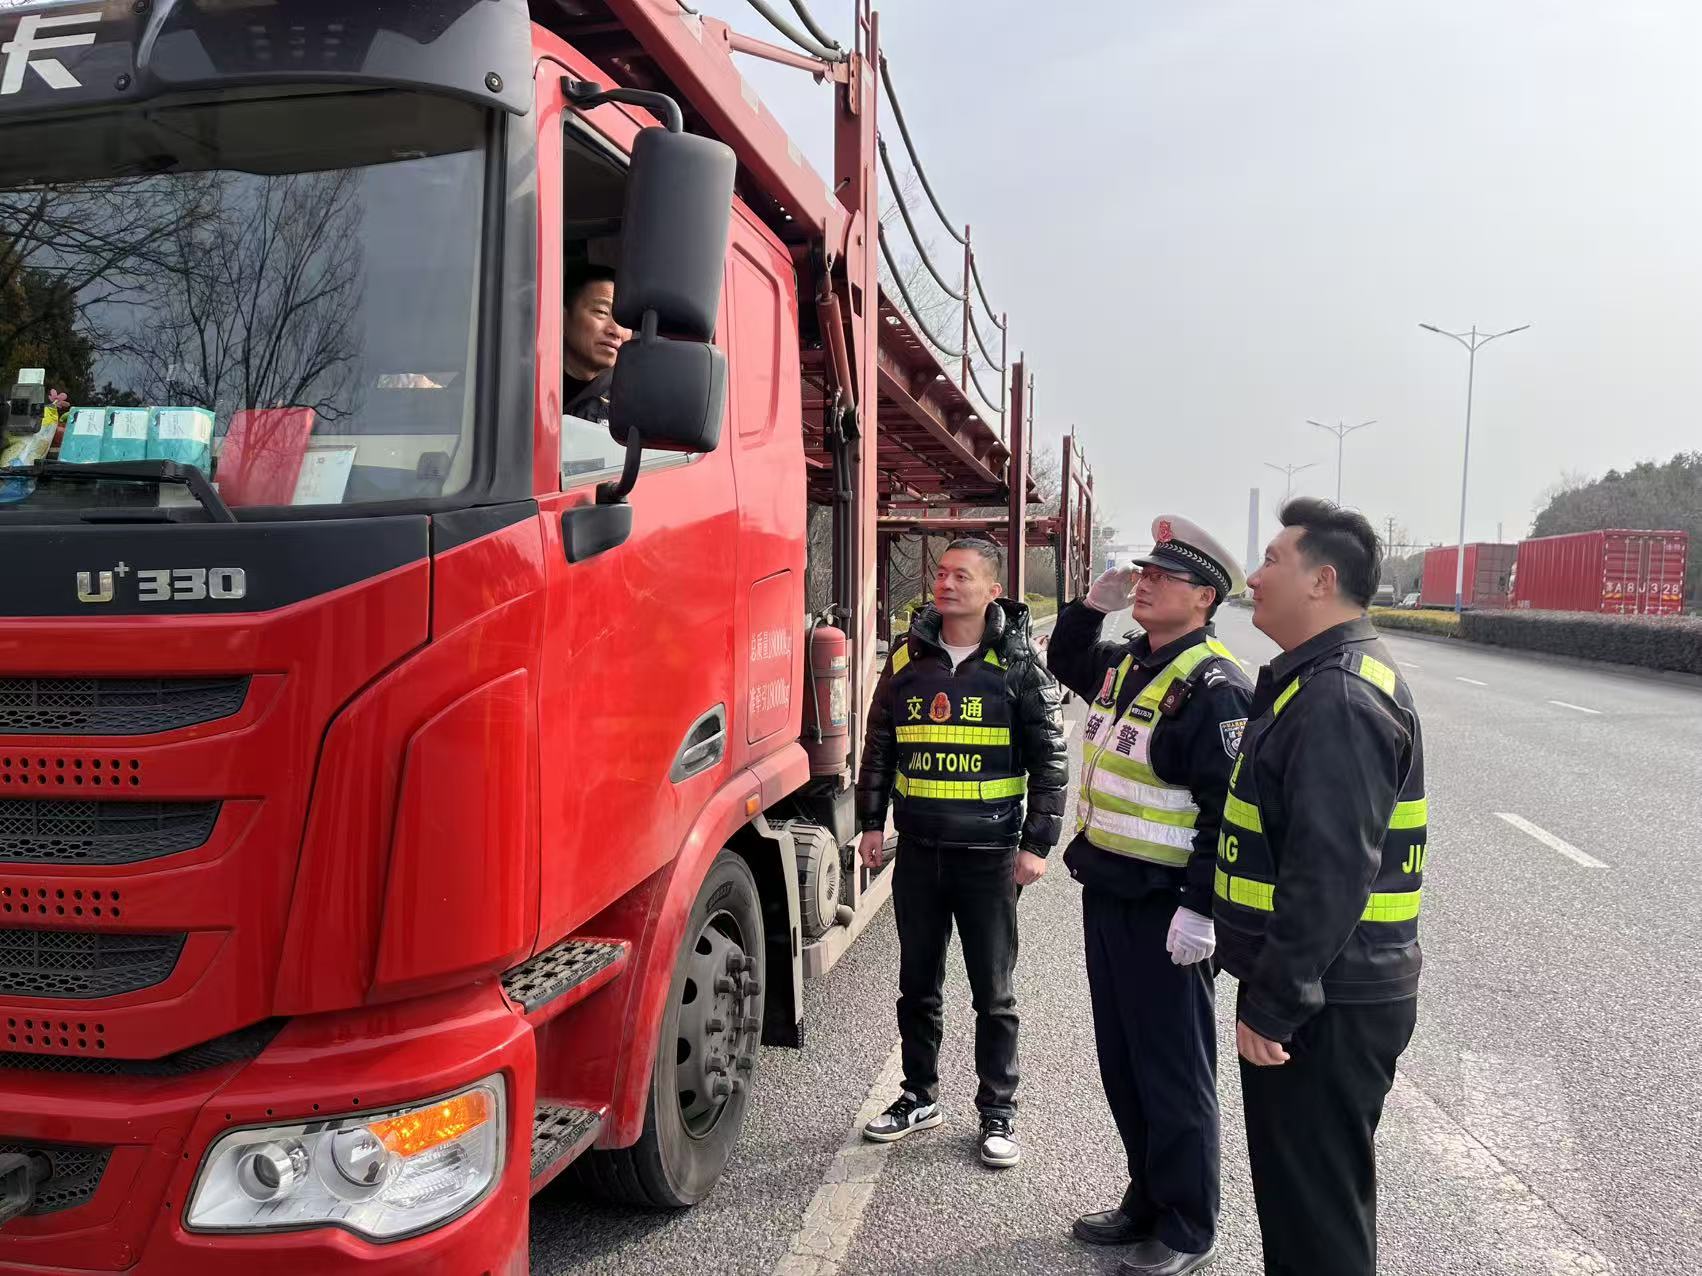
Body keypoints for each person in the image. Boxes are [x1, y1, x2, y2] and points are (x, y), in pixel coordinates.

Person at [1215, 499, 1428, 1276]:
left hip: (1326, 1003)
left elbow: (1330, 873)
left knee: (1315, 1223)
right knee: (1308, 1208)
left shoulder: (1337, 695)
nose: (1254, 576)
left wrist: (1275, 1002)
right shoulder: (1318, 680)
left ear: (1322, 581)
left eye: (1272, 560)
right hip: (1328, 990)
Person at [1047, 516, 1253, 1276]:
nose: (1146, 582)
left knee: (1174, 1071)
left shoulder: (1216, 688)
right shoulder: (1130, 662)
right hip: (1109, 889)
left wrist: (1202, 908)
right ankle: (1146, 1198)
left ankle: (1189, 1225)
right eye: (1144, 571)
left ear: (1204, 598)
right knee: (1125, 1061)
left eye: (1165, 577)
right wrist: (1087, 607)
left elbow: (1229, 812)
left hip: (1169, 909)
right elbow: (1066, 658)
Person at [854, 538, 1068, 1169]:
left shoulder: (1019, 664)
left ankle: (998, 1112)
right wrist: (871, 823)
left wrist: (1036, 844)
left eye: (962, 576)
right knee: (917, 986)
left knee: (993, 994)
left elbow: (1050, 762)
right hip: (920, 853)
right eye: (941, 574)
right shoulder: (907, 659)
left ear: (993, 591)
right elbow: (880, 743)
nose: (946, 584)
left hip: (990, 856)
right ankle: (918, 1096)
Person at [562, 263, 629, 425]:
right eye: (602, 312)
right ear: (562, 318)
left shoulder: (627, 401)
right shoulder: (523, 381)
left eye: (625, 320)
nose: (616, 331)